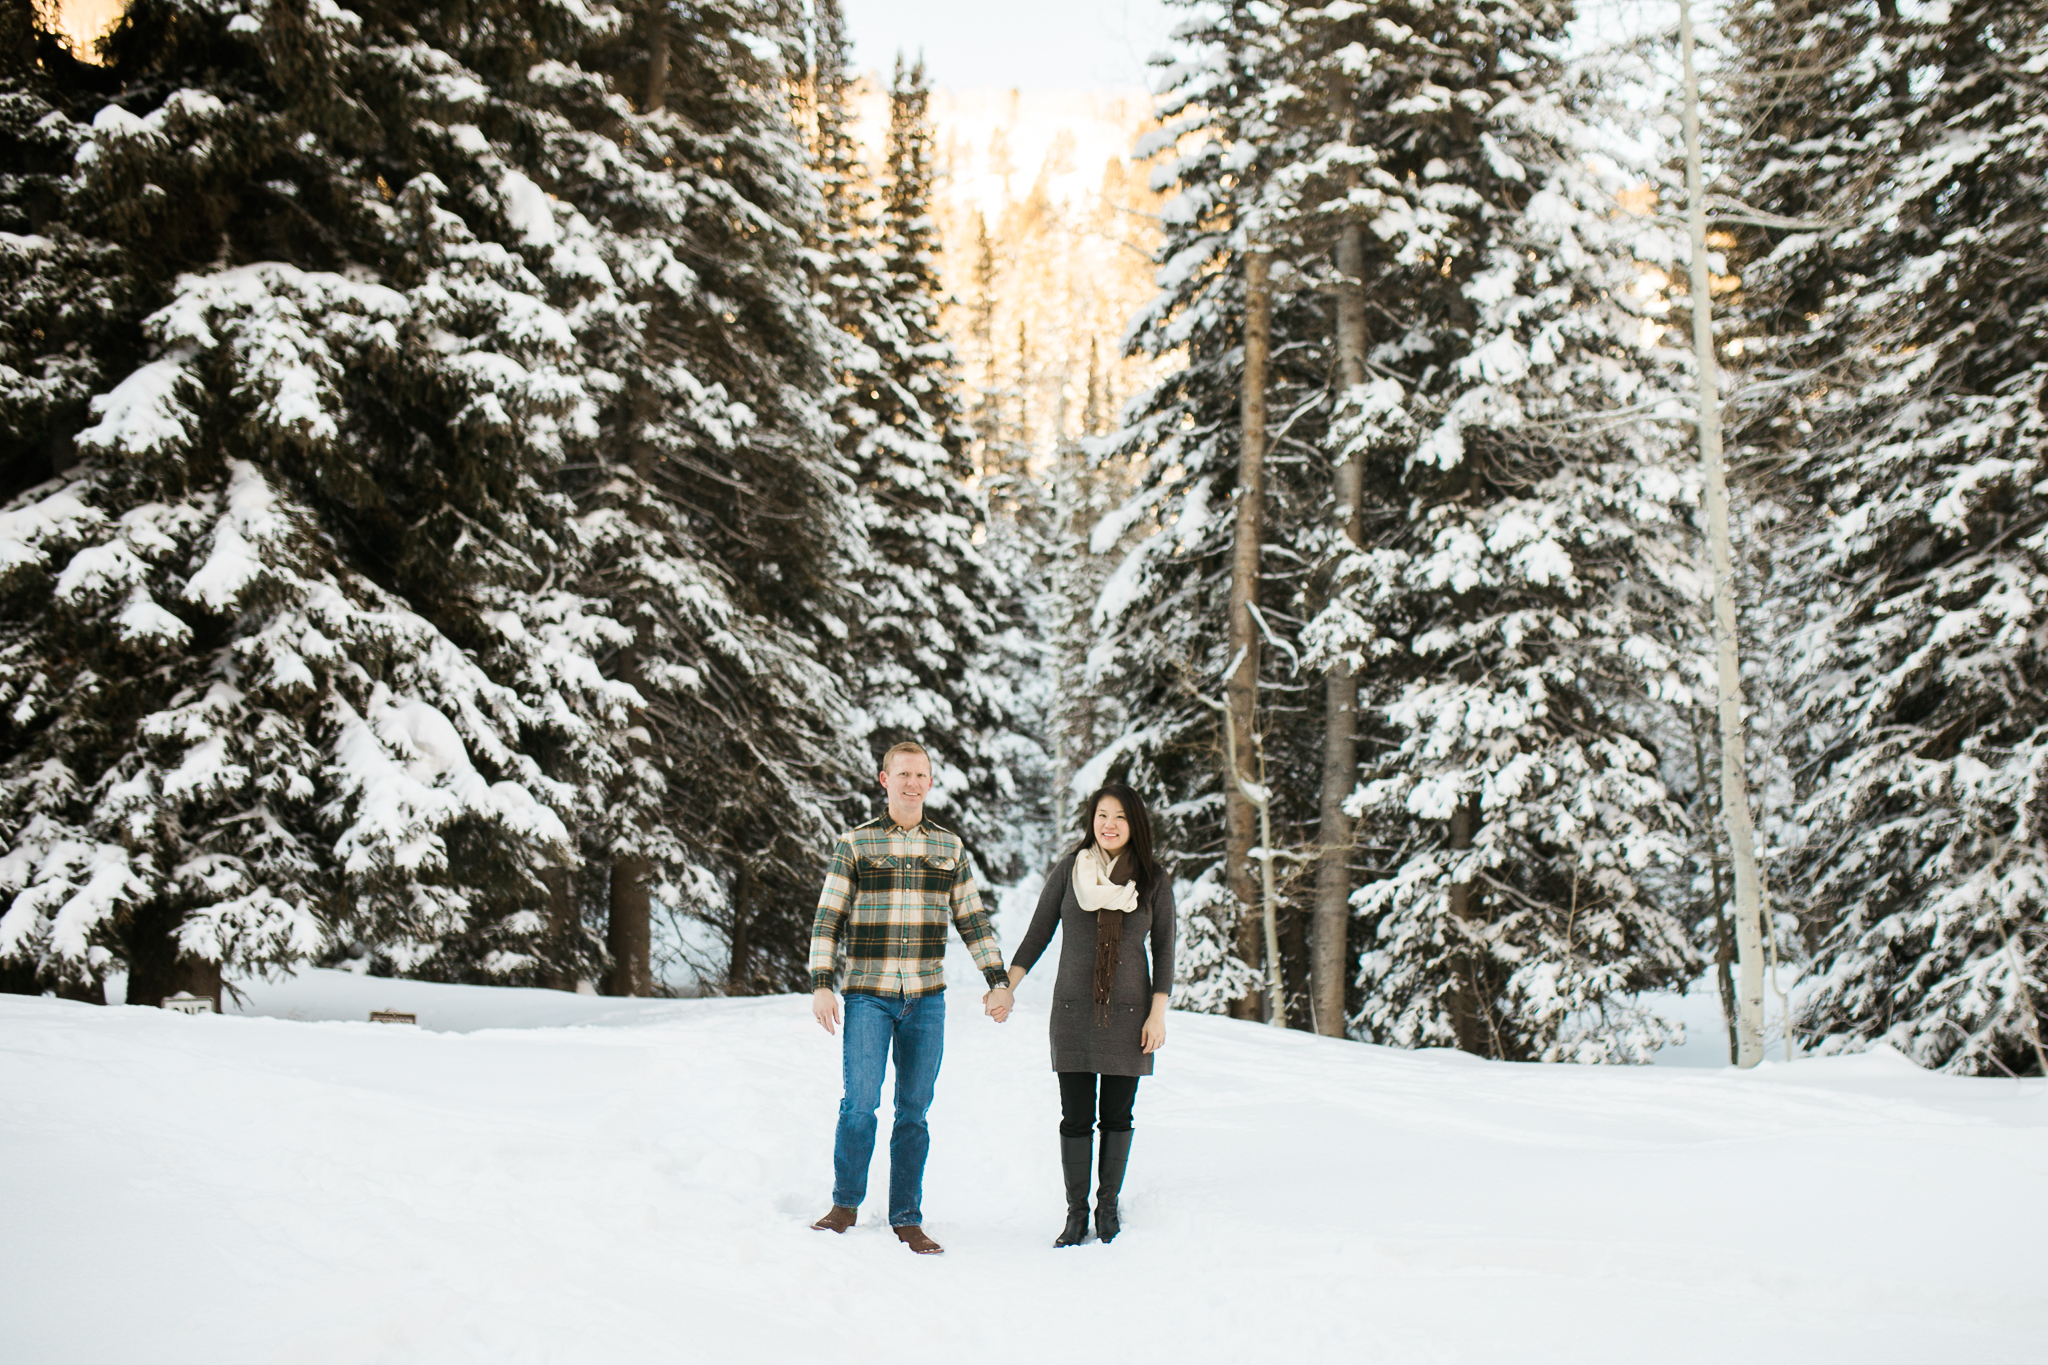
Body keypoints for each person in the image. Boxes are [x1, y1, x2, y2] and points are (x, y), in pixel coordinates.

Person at [807, 740, 1015, 1256]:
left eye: (920, 774)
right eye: (902, 774)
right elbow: (828, 917)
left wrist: (998, 980)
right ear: (884, 779)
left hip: (926, 999)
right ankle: (845, 1205)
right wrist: (820, 984)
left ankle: (906, 1216)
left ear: (930, 781)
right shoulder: (855, 844)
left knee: (914, 1111)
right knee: (860, 1104)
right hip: (868, 997)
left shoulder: (949, 848)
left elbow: (972, 919)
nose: (911, 783)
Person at [1007, 780, 1175, 1247]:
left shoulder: (1153, 879)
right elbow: (1038, 933)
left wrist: (1156, 1015)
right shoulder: (1069, 872)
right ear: (1091, 821)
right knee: (1075, 1118)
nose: (1109, 824)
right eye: (1102, 815)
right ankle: (1076, 1214)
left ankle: (1108, 1209)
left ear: (1134, 823)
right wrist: (1007, 987)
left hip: (1129, 1014)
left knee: (1117, 1117)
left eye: (1119, 816)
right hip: (1073, 1012)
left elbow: (1165, 951)